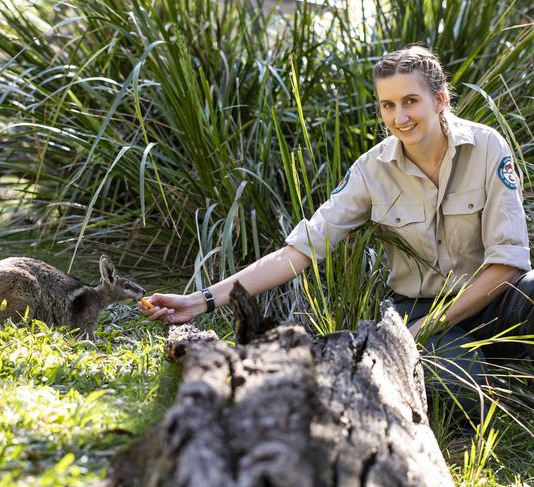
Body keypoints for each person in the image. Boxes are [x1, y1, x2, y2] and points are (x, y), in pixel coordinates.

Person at [140, 46, 534, 410]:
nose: (400, 118)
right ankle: (474, 364)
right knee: (464, 390)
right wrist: (200, 300)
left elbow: (509, 263)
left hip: (493, 297)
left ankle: (495, 361)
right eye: (388, 105)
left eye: (411, 101)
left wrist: (422, 332)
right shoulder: (371, 170)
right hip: (417, 305)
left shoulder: (487, 148)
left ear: (440, 99)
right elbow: (299, 251)